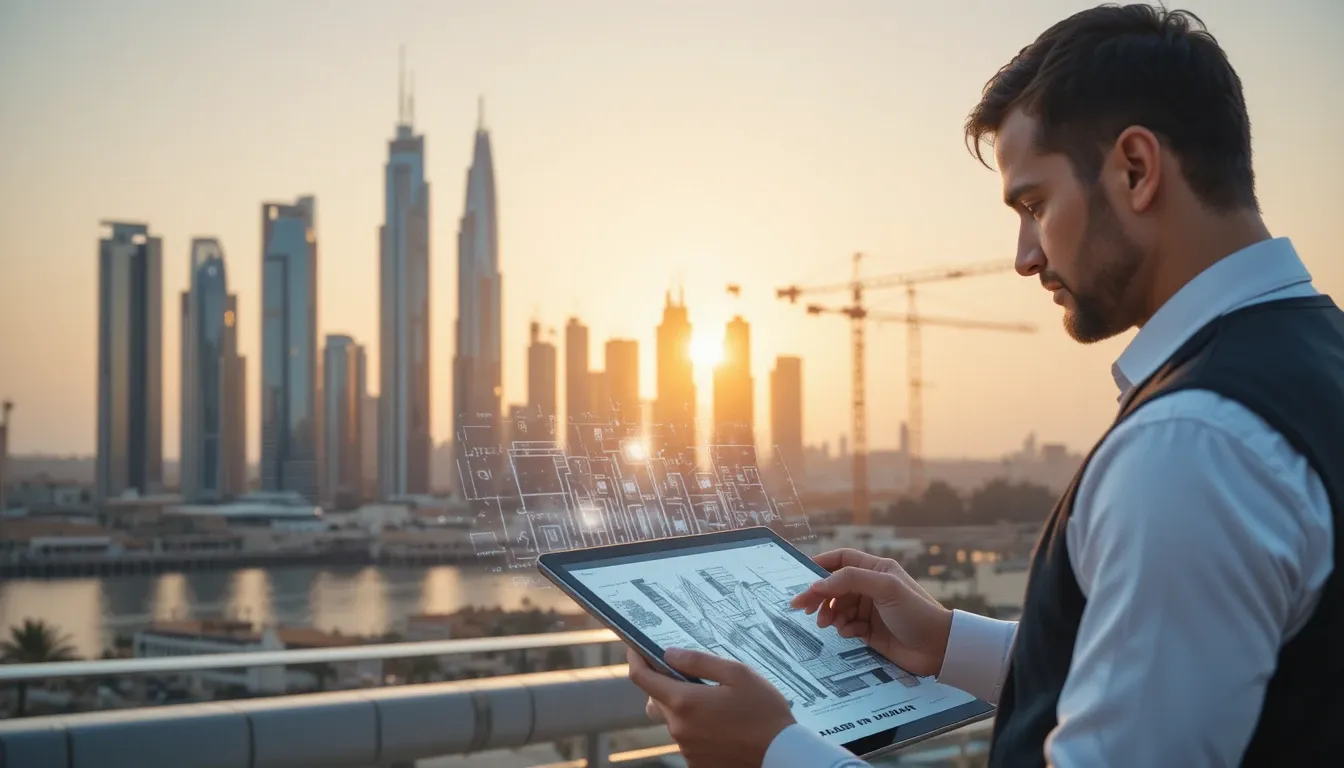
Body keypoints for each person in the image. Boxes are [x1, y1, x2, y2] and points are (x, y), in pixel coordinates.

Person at [628, 4, 1342, 766]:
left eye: (1035, 205)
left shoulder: (1193, 445)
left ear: (1136, 169)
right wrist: (946, 641)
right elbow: (1192, 676)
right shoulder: (1309, 361)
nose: (1025, 257)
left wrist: (773, 752)